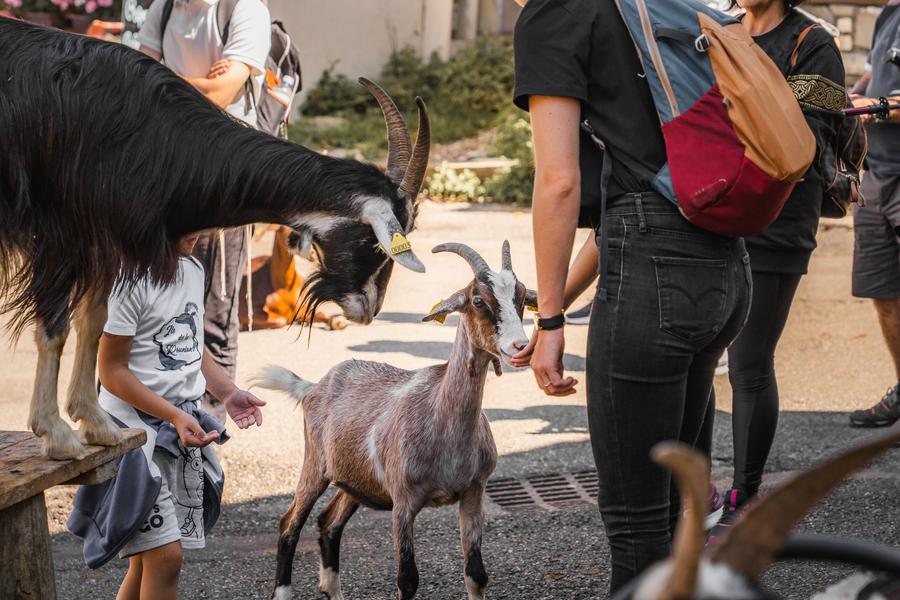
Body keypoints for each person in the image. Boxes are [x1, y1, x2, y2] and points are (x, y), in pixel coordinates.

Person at [509, 0, 751, 592]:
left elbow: (559, 182)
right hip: (723, 262)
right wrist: (552, 302)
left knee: (636, 524)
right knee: (667, 509)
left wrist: (550, 320)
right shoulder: (646, 7)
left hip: (656, 278)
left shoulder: (555, 13)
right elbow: (637, 193)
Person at [697, 0, 846, 540]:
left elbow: (804, 143)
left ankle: (746, 491)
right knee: (699, 354)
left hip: (780, 219)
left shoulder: (813, 44)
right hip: (714, 208)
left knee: (749, 363)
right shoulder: (719, 29)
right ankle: (701, 489)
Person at [67, 233, 266, 600]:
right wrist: (174, 415)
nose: (198, 227)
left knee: (147, 562)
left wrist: (227, 392)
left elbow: (191, 345)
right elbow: (111, 372)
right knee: (165, 559)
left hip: (176, 432)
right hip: (132, 437)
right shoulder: (129, 277)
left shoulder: (192, 269)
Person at [139, 0, 271, 421]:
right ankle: (155, 413)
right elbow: (134, 83)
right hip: (166, 171)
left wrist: (160, 79)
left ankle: (211, 422)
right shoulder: (163, 8)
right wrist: (191, 82)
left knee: (213, 306)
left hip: (223, 179)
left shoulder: (244, 9)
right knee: (152, 292)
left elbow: (220, 94)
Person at [847, 0, 900, 428]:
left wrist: (873, 105)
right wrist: (843, 96)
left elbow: (879, 98)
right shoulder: (887, 14)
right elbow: (871, 75)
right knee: (885, 294)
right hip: (877, 176)